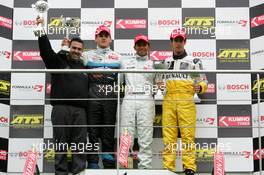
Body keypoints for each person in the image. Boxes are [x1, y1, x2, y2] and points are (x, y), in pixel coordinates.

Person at [37, 17, 88, 175]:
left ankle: (79, 173)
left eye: (79, 49)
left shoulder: (86, 67)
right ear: (69, 47)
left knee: (79, 147)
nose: (76, 51)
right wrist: (41, 30)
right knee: (60, 146)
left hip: (81, 112)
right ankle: (60, 173)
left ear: (82, 51)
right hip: (61, 109)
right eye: (74, 48)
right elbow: (45, 52)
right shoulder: (58, 61)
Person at [158, 28, 208, 175]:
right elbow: (159, 81)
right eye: (175, 40)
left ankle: (189, 168)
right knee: (168, 136)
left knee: (187, 135)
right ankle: (168, 168)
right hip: (168, 100)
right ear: (171, 42)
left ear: (184, 42)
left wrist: (200, 87)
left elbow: (203, 81)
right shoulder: (165, 62)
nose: (178, 43)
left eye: (180, 40)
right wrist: (159, 85)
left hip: (186, 99)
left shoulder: (193, 61)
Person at [82, 25, 122, 169]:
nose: (104, 37)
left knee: (108, 131)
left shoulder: (118, 57)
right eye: (101, 35)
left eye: (106, 35)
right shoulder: (86, 55)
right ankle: (92, 164)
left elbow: (124, 80)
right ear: (96, 38)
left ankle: (109, 165)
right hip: (93, 94)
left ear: (110, 39)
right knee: (92, 131)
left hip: (110, 96)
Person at [120, 34, 156, 169]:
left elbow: (159, 85)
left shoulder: (154, 64)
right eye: (139, 44)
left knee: (145, 138)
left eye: (144, 44)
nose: (141, 46)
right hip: (129, 99)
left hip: (146, 100)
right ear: (134, 46)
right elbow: (118, 83)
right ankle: (125, 168)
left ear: (148, 46)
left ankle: (145, 169)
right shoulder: (125, 62)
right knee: (126, 135)